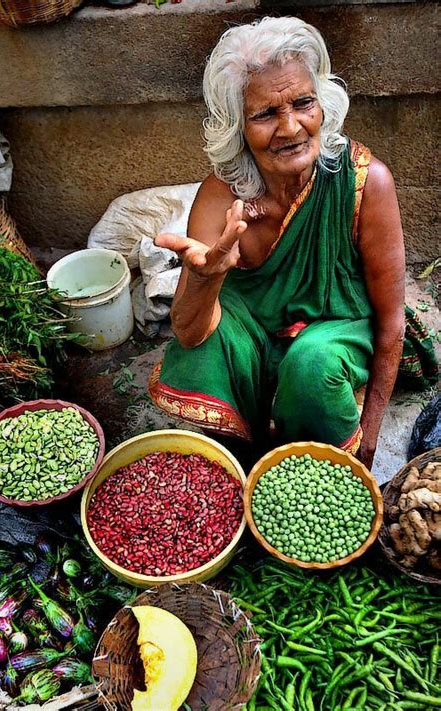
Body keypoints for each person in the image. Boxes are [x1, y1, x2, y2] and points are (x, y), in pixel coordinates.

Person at [148, 16, 408, 470]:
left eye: (303, 103)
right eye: (266, 114)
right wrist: (205, 275)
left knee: (310, 365)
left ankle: (315, 440)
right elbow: (189, 332)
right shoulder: (223, 194)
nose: (290, 128)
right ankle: (239, 457)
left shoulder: (367, 183)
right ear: (238, 127)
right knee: (205, 348)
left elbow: (391, 323)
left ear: (322, 103)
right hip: (253, 329)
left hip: (336, 325)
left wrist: (366, 442)